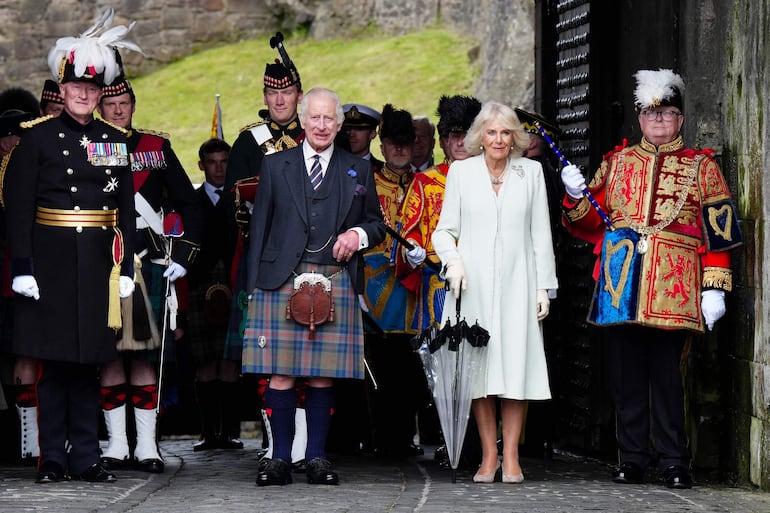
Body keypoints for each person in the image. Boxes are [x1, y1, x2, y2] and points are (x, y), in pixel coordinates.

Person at [560, 69, 742, 489]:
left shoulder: (703, 167)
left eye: (668, 114)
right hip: (621, 282)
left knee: (666, 378)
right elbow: (588, 220)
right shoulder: (617, 162)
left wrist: (715, 285)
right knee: (625, 378)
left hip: (675, 286)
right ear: (639, 119)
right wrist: (573, 195)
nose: (658, 121)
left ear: (680, 120)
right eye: (650, 113)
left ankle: (675, 461)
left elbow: (720, 229)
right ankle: (633, 458)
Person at [2, 9, 139, 483]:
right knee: (54, 367)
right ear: (61, 90)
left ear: (100, 92)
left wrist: (125, 268)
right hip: (51, 267)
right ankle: (51, 459)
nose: (84, 94)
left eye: (92, 88)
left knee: (90, 366)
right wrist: (23, 267)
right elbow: (18, 210)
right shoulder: (35, 140)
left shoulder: (114, 141)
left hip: (97, 266)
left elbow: (125, 208)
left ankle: (87, 457)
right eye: (76, 87)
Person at [241, 87, 384, 486]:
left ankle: (317, 457)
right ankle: (280, 459)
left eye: (329, 119)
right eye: (315, 118)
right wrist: (254, 288)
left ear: (339, 125)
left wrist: (357, 235)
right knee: (280, 373)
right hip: (280, 279)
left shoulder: (357, 169)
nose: (322, 125)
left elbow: (376, 224)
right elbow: (260, 227)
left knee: (323, 375)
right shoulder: (275, 165)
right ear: (303, 121)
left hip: (333, 278)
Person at [432, 101, 558, 484]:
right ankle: (489, 456)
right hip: (473, 286)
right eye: (491, 132)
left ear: (515, 137)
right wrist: (452, 261)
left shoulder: (531, 173)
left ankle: (513, 457)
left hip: (519, 285)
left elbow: (541, 234)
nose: (499, 139)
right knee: (480, 372)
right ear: (480, 138)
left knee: (515, 368)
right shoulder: (461, 172)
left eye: (506, 132)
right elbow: (443, 230)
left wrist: (544, 288)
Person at [96, 60, 202, 474]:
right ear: (101, 108)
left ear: (134, 105)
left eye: (124, 102)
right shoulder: (89, 148)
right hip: (103, 265)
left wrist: (185, 257)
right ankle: (116, 444)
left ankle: (146, 446)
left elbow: (189, 203)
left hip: (148, 262)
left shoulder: (155, 150)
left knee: (143, 357)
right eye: (111, 103)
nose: (118, 110)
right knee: (108, 357)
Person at [222, 43, 308, 469]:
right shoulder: (247, 142)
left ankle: (306, 445)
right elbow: (229, 203)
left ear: (298, 95)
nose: (278, 101)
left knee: (310, 355)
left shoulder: (315, 136)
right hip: (259, 259)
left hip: (309, 259)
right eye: (272, 94)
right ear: (264, 97)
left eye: (287, 93)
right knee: (265, 354)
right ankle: (275, 442)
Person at [398, 94, 482, 457]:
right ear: (444, 140)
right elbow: (408, 233)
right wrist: (410, 251)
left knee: (482, 363)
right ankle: (452, 441)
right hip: (439, 287)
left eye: (466, 134)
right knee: (445, 366)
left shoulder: (493, 178)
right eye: (452, 135)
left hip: (484, 283)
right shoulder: (426, 182)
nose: (460, 142)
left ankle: (482, 442)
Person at [361, 104, 426, 458]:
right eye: (392, 142)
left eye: (405, 142)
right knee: (379, 367)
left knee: (413, 367)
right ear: (382, 145)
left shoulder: (425, 184)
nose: (399, 149)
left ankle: (406, 436)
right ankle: (381, 438)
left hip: (416, 293)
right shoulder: (367, 184)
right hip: (376, 290)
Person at [186, 138, 243, 451]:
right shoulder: (191, 202)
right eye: (213, 162)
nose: (219, 168)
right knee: (205, 361)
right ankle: (208, 432)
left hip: (234, 284)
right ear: (201, 165)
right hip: (199, 285)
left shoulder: (240, 200)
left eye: (224, 162)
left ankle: (231, 431)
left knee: (231, 361)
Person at [0, 88, 40, 464]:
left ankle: (32, 440)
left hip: (30, 277)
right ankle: (21, 438)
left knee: (29, 355)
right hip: (8, 280)